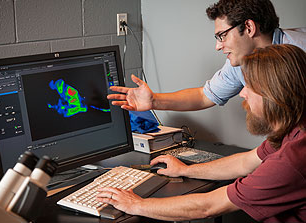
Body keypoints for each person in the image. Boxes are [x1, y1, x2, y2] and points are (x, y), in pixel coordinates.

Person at [97, 44, 306, 222]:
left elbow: (208, 206)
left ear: (275, 95)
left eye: (250, 86)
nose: (242, 93)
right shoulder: (295, 132)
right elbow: (245, 162)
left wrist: (137, 205)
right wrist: (186, 170)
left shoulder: (290, 161)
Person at [107, 0, 306, 112]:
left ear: (249, 27)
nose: (218, 46)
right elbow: (204, 96)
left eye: (222, 35)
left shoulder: (300, 53)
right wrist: (154, 101)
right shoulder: (242, 62)